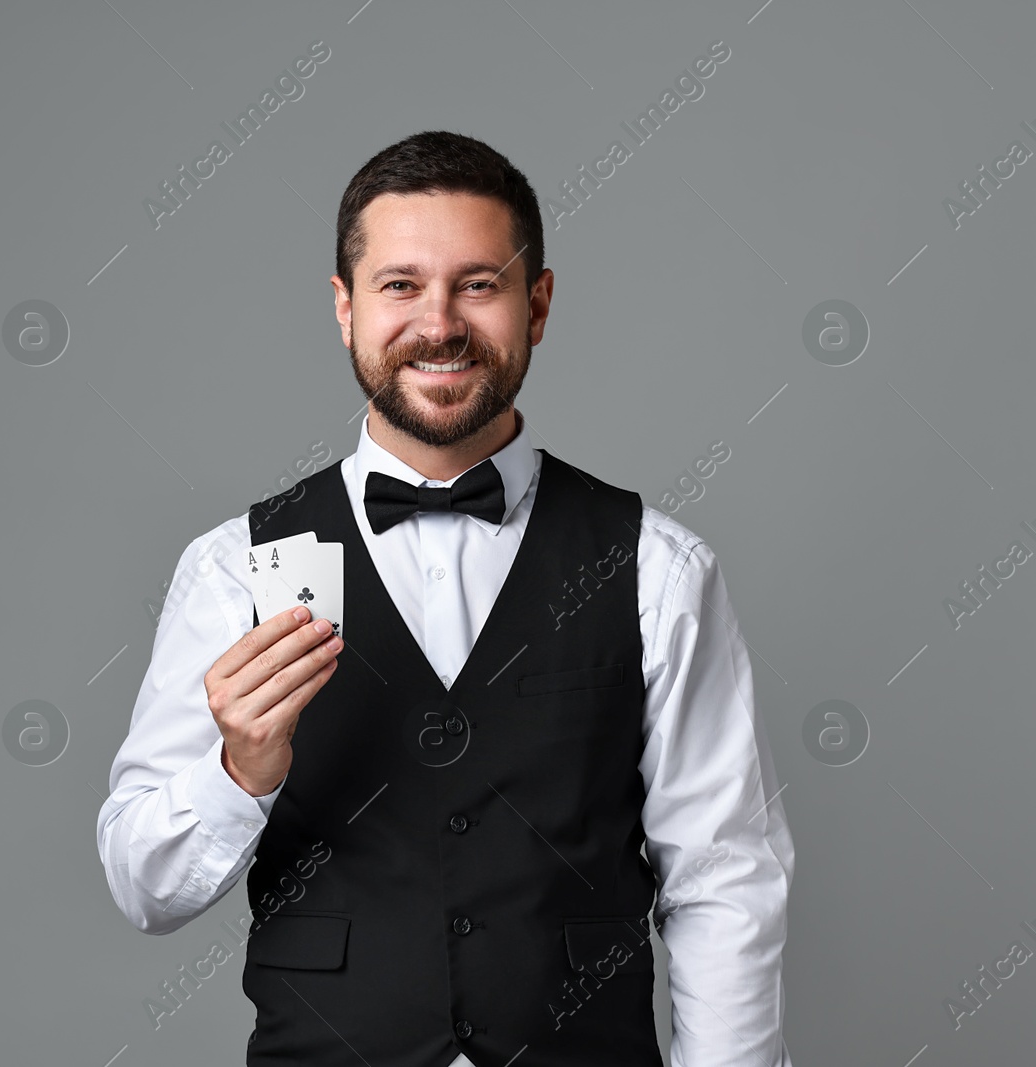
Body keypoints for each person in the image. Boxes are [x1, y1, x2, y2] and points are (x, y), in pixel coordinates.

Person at [96, 129, 794, 1067]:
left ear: (536, 304)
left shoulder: (656, 567)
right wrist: (240, 769)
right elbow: (145, 889)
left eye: (478, 283)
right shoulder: (237, 566)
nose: (440, 323)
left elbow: (724, 883)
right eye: (399, 286)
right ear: (344, 309)